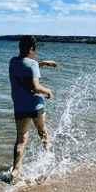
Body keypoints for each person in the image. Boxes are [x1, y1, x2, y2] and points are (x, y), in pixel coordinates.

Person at [9, 35, 58, 180]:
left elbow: (26, 66)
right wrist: (48, 91)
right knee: (43, 132)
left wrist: (42, 63)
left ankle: (15, 170)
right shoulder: (32, 64)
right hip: (35, 105)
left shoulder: (13, 61)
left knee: (21, 140)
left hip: (19, 106)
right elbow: (36, 87)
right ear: (31, 49)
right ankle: (48, 157)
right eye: (35, 50)